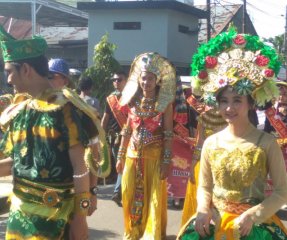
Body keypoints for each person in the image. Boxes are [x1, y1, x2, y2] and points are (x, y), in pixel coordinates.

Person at [177, 27, 287, 239]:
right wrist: (202, 209)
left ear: (250, 103)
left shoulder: (266, 143)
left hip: (252, 227)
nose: (229, 108)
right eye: (224, 101)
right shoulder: (211, 143)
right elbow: (205, 186)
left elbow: (282, 192)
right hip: (215, 223)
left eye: (237, 101)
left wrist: (253, 215)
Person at [0, 26, 109, 239]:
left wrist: (81, 217)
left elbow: (81, 167)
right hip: (19, 218)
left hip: (56, 220)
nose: (9, 80)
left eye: (9, 72)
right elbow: (19, 163)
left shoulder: (66, 110)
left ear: (26, 70)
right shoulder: (20, 111)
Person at [116, 52, 176, 239]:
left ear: (157, 81)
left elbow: (168, 134)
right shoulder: (132, 102)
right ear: (138, 79)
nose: (146, 82)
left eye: (150, 79)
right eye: (143, 78)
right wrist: (120, 156)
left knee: (154, 199)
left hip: (154, 158)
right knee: (128, 193)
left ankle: (151, 234)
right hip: (132, 157)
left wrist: (166, 161)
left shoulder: (164, 104)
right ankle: (133, 231)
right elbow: (126, 131)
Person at [101, 70, 128, 206]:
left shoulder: (132, 97)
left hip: (129, 137)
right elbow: (105, 118)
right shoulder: (110, 99)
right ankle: (118, 191)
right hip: (115, 139)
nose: (116, 82)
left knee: (124, 165)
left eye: (119, 79)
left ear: (126, 80)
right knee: (121, 165)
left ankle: (121, 191)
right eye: (114, 80)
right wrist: (100, 135)